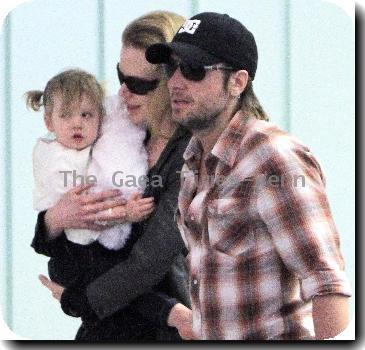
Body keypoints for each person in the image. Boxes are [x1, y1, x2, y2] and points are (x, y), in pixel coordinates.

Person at [146, 12, 352, 340]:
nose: (175, 82)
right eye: (171, 68)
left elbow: (329, 291)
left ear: (238, 82)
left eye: (194, 69)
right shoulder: (192, 163)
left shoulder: (273, 158)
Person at [31, 11, 193, 341]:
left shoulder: (192, 155)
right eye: (121, 77)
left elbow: (146, 264)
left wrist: (75, 298)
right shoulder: (112, 133)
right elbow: (63, 258)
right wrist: (54, 220)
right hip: (100, 332)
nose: (123, 92)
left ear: (173, 83)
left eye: (138, 84)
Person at [28, 69, 150, 289]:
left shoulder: (88, 148)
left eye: (86, 115)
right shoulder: (57, 161)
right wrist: (125, 213)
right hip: (75, 255)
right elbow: (87, 211)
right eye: (66, 115)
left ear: (100, 118)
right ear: (49, 122)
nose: (77, 124)